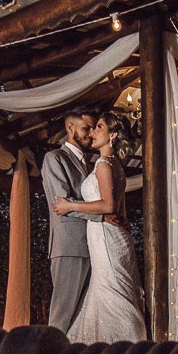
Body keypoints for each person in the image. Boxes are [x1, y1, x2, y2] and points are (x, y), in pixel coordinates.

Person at [52, 111, 146, 344]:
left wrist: (70, 205)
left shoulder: (104, 164)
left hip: (105, 236)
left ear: (113, 135)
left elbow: (109, 204)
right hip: (111, 233)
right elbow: (118, 209)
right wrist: (118, 220)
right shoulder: (114, 165)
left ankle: (127, 344)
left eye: (99, 127)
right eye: (92, 128)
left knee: (112, 291)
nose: (93, 132)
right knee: (109, 289)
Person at [40, 108, 101, 333]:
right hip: (69, 247)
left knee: (82, 317)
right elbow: (61, 204)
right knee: (62, 316)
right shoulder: (54, 158)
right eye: (87, 128)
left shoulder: (91, 163)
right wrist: (103, 214)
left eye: (94, 129)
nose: (91, 134)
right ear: (70, 127)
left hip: (93, 245)